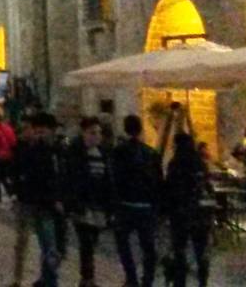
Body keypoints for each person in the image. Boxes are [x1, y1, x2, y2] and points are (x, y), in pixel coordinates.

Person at [9, 112, 64, 287]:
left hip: (49, 204)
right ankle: (45, 280)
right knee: (43, 244)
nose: (39, 135)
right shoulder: (31, 150)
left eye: (42, 131)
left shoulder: (58, 150)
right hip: (36, 202)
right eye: (37, 131)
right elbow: (25, 174)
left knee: (51, 246)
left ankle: (48, 279)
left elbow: (61, 176)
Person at [110, 114, 162, 287]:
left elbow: (114, 179)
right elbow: (158, 181)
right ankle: (147, 280)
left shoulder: (118, 152)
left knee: (123, 244)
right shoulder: (151, 153)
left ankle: (131, 278)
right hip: (146, 206)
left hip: (125, 205)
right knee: (148, 247)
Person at [63, 117, 114, 287]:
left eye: (98, 133)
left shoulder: (103, 153)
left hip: (98, 204)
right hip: (82, 204)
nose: (97, 136)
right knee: (86, 242)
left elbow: (108, 180)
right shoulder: (75, 152)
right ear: (84, 133)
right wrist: (72, 203)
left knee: (93, 240)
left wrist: (109, 204)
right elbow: (70, 178)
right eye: (93, 133)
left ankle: (87, 277)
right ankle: (87, 278)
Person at [162, 132, 212, 287]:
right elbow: (206, 185)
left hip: (179, 213)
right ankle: (202, 279)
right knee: (200, 250)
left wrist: (166, 210)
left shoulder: (175, 163)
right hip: (199, 212)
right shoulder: (199, 163)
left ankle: (180, 280)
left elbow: (169, 188)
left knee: (179, 249)